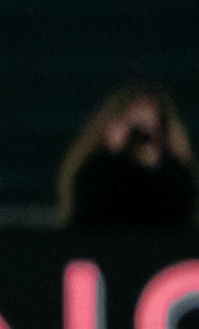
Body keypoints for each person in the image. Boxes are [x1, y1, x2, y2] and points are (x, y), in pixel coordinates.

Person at [58, 85, 196, 230]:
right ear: (111, 125)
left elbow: (179, 216)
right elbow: (90, 215)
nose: (142, 136)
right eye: (134, 126)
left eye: (150, 127)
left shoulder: (177, 175)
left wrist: (155, 168)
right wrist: (115, 156)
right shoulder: (92, 172)